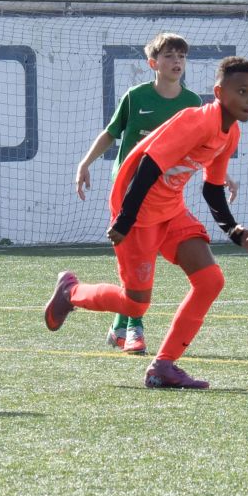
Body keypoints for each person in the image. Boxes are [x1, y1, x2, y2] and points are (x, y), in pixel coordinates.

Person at [45, 56, 248, 389]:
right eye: (242, 91)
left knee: (210, 281)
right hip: (137, 210)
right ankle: (71, 291)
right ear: (219, 92)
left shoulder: (229, 133)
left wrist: (233, 230)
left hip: (171, 210)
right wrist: (126, 217)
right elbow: (149, 165)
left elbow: (212, 188)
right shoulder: (197, 121)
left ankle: (163, 365)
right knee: (135, 302)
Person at [73, 32, 200, 354]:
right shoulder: (136, 96)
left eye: (181, 57)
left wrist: (221, 174)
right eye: (170, 56)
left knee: (143, 264)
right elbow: (111, 133)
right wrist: (85, 163)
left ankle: (120, 326)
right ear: (153, 63)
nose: (177, 62)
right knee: (139, 263)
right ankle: (133, 328)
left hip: (168, 197)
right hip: (130, 193)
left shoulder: (192, 103)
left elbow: (200, 148)